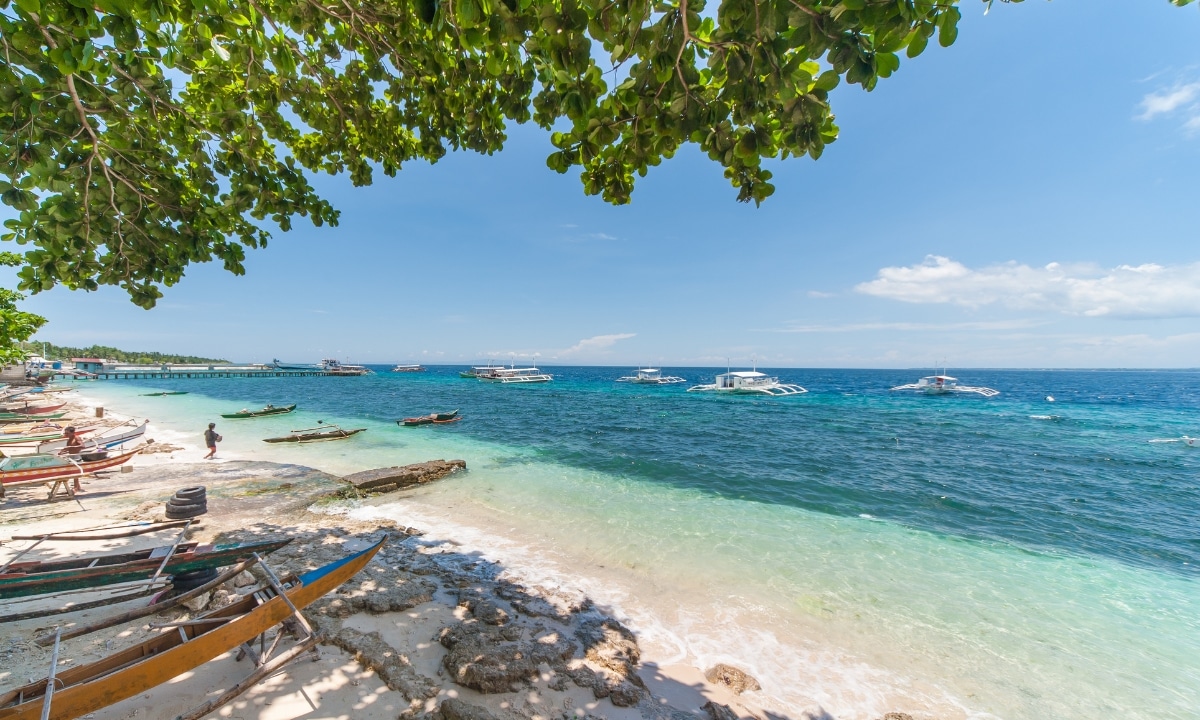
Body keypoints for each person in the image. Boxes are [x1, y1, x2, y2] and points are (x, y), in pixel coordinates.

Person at [61, 426, 86, 493]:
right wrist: (62, 451)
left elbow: (83, 446)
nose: (66, 435)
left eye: (67, 433)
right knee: (73, 472)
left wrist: (73, 447)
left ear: (73, 433)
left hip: (76, 456)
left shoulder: (77, 438)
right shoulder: (69, 439)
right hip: (71, 456)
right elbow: (68, 448)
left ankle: (75, 487)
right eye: (65, 433)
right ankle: (78, 487)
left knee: (75, 472)